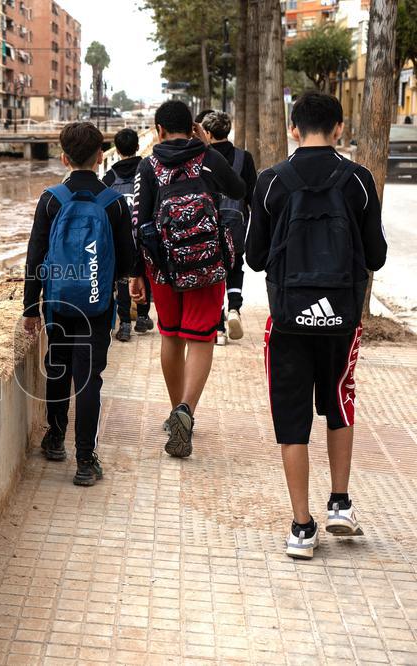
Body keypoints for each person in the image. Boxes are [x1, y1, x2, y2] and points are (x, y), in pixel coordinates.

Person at [246, 91, 387, 560]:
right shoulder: (360, 181)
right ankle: (340, 505)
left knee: (292, 422)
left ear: (292, 128)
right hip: (341, 319)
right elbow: (378, 256)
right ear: (339, 129)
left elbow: (255, 257)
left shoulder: (270, 182)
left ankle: (302, 528)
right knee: (339, 404)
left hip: (289, 320)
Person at [129, 100, 245, 458]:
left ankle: (173, 410)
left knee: (171, 336)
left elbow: (140, 220)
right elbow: (238, 190)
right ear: (193, 127)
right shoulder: (208, 158)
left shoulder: (148, 166)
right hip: (207, 265)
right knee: (201, 338)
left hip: (163, 267)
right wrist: (207, 148)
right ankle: (186, 410)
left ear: (159, 130)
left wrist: (137, 274)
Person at [22, 122, 135, 486]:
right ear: (102, 156)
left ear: (64, 158)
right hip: (97, 307)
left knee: (58, 368)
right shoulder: (115, 203)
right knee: (89, 381)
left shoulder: (51, 199)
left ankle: (55, 439)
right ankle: (85, 461)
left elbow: (35, 256)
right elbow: (129, 262)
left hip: (57, 303)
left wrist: (29, 307)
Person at [201, 111, 258, 346]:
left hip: (208, 221)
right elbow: (252, 194)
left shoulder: (204, 158)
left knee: (213, 271)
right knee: (235, 265)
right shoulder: (244, 157)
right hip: (236, 221)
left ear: (208, 133)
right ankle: (234, 308)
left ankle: (218, 328)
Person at [102, 127, 153, 342]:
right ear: (137, 146)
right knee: (145, 273)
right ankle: (142, 317)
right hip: (143, 234)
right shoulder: (147, 170)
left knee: (123, 278)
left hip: (119, 237)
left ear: (117, 149)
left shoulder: (110, 176)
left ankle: (124, 324)